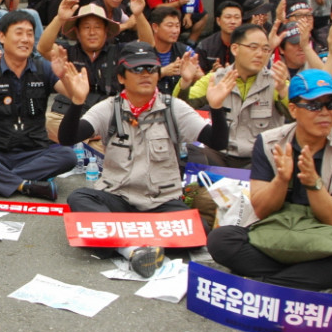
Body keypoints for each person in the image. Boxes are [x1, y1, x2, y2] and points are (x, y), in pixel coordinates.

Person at [58, 41, 231, 276]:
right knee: (79, 198)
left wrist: (217, 108)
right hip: (118, 199)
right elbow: (68, 138)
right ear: (121, 77)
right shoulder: (109, 108)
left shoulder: (174, 108)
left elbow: (217, 142)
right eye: (137, 69)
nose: (146, 74)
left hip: (161, 203)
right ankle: (134, 248)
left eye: (151, 68)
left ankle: (120, 241)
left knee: (198, 229)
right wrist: (77, 102)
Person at [206, 68, 332, 292]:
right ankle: (303, 280)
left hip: (324, 234)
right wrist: (281, 180)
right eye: (314, 105)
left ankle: (265, 285)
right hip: (274, 228)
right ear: (293, 109)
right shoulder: (269, 142)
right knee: (221, 240)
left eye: (331, 104)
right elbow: (262, 209)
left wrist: (314, 183)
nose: (325, 113)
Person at [0, 10, 77, 201]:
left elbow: (74, 94)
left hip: (34, 152)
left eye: (29, 34)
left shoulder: (43, 68)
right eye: (19, 33)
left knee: (68, 156)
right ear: (2, 37)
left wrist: (64, 76)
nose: (25, 39)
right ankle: (26, 184)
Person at [39, 0, 154, 144]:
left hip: (107, 116)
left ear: (106, 31)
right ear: (77, 32)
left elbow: (147, 46)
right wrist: (59, 18)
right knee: (51, 123)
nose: (92, 32)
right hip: (69, 113)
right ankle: (87, 140)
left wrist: (138, 15)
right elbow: (43, 48)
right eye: (86, 27)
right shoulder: (67, 52)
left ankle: (88, 141)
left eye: (97, 27)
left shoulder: (119, 51)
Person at [176, 23, 290, 169]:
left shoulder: (277, 81)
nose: (260, 54)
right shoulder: (216, 78)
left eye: (265, 49)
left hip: (259, 159)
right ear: (235, 49)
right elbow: (180, 109)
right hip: (222, 156)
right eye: (253, 47)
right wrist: (185, 82)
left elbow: (296, 115)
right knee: (189, 153)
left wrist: (283, 91)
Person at [149, 5, 199, 94]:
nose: (175, 31)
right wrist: (163, 72)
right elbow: (134, 79)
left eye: (177, 26)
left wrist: (192, 74)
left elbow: (201, 78)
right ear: (155, 27)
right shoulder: (143, 50)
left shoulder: (186, 51)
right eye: (170, 26)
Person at [195, 1, 244, 73]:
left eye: (237, 17)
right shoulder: (205, 46)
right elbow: (197, 74)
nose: (233, 21)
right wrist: (212, 73)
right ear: (218, 21)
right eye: (228, 17)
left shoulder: (248, 45)